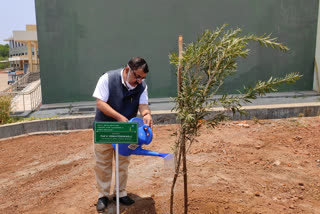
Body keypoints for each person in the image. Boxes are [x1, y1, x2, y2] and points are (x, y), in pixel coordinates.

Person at [92, 57, 153, 212]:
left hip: (126, 131)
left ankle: (120, 193)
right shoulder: (107, 78)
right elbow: (100, 103)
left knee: (123, 163)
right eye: (137, 76)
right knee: (103, 163)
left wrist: (146, 114)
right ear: (127, 70)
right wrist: (119, 117)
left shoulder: (141, 86)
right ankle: (103, 195)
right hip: (105, 129)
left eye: (142, 78)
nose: (139, 81)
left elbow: (143, 104)